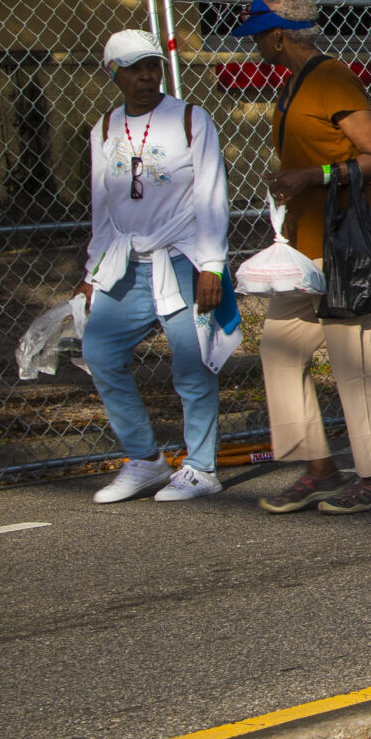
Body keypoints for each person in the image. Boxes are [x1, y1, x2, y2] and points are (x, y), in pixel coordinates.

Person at [233, 0, 371, 513]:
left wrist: (315, 174)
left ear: (279, 35)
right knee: (279, 351)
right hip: (302, 248)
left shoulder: (330, 77)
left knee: (351, 359)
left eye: (259, 36)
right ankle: (320, 467)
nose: (254, 46)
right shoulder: (289, 85)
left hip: (343, 241)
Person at [80, 30, 232, 503]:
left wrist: (212, 265)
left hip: (184, 259)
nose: (145, 76)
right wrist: (92, 272)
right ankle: (144, 460)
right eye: (133, 68)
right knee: (100, 353)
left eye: (151, 66)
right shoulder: (104, 128)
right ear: (114, 74)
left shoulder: (190, 118)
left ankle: (202, 467)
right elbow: (102, 207)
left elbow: (211, 193)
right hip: (127, 263)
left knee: (193, 364)